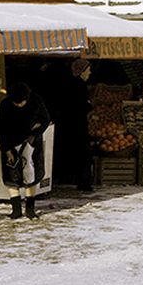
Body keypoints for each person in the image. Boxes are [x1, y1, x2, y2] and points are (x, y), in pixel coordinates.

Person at [0, 82, 50, 219]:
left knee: (31, 175)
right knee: (11, 175)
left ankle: (30, 209)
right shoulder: (6, 104)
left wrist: (34, 135)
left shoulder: (36, 100)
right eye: (17, 103)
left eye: (22, 102)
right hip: (11, 142)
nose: (20, 105)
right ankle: (16, 209)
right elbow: (1, 129)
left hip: (31, 143)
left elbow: (45, 120)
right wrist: (6, 149)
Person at [57, 58, 94, 193]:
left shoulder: (70, 84)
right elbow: (81, 105)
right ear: (82, 71)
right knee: (83, 154)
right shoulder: (79, 86)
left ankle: (71, 178)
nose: (90, 73)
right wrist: (89, 106)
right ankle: (84, 182)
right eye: (88, 70)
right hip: (77, 125)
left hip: (69, 125)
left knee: (72, 151)